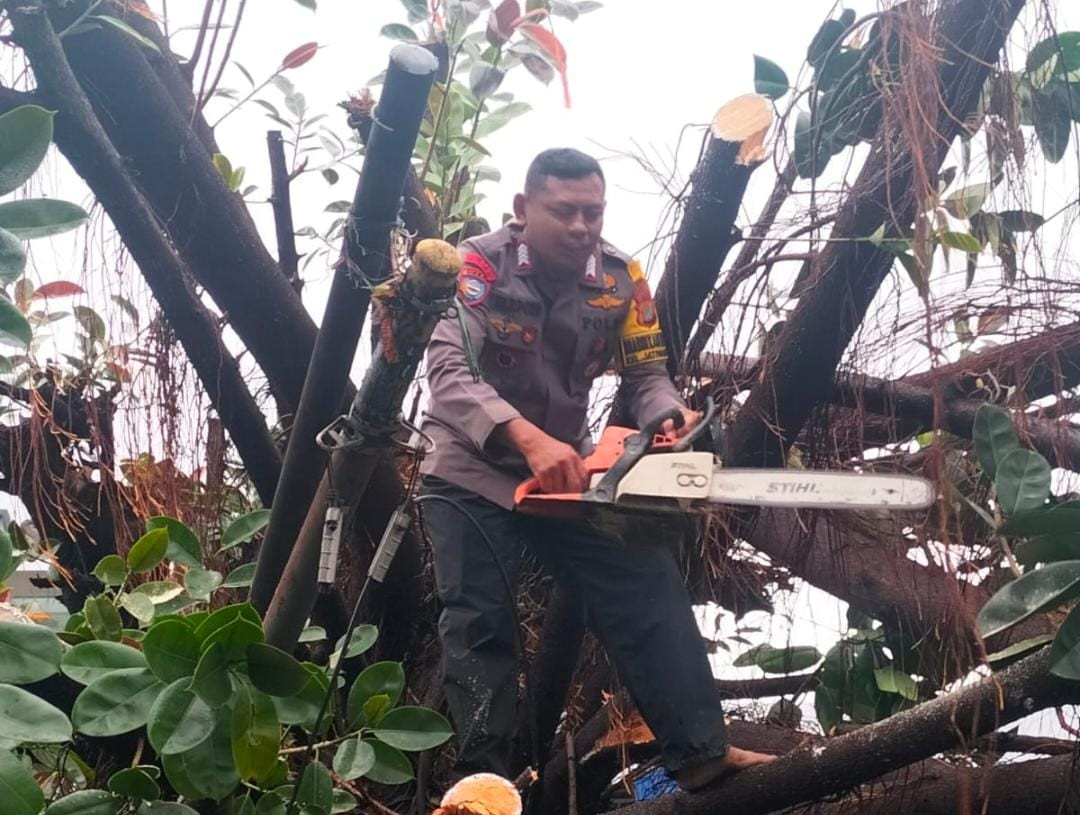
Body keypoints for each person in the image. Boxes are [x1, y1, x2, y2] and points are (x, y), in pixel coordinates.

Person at [418, 148, 774, 790]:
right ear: (525, 210)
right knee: (479, 621)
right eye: (565, 212)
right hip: (468, 471)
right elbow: (447, 375)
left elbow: (646, 373)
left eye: (593, 212)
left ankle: (699, 754)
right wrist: (527, 440)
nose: (583, 227)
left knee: (642, 573)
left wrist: (667, 416)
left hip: (565, 476)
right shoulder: (478, 265)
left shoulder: (620, 278)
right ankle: (483, 791)